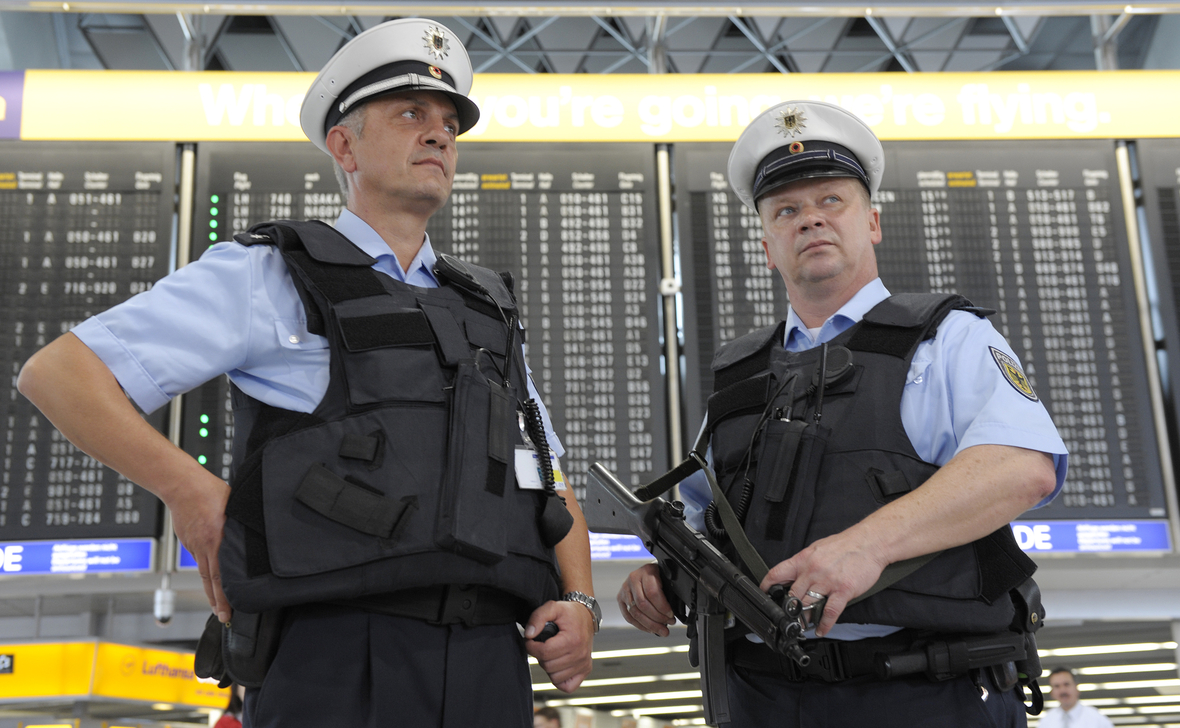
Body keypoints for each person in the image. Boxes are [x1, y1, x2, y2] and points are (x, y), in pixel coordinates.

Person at [18, 18, 597, 728]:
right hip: (332, 657)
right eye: (411, 113)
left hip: (489, 663)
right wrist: (191, 491)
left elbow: (547, 473)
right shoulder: (269, 274)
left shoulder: (486, 308)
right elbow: (59, 374)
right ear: (343, 144)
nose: (439, 134)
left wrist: (580, 598)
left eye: (449, 122)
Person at [617, 100, 1067, 726]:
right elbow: (707, 518)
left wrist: (866, 547)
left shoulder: (948, 338)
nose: (811, 221)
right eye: (787, 211)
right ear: (768, 246)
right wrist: (665, 575)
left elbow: (1022, 467)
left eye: (832, 201)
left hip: (927, 690)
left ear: (872, 222)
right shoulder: (740, 374)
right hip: (763, 696)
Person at [1038, 668, 1114, 728]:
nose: (1062, 690)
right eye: (1057, 686)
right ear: (1052, 692)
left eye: (1066, 684)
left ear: (1076, 687)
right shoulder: (1046, 721)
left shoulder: (1097, 719)